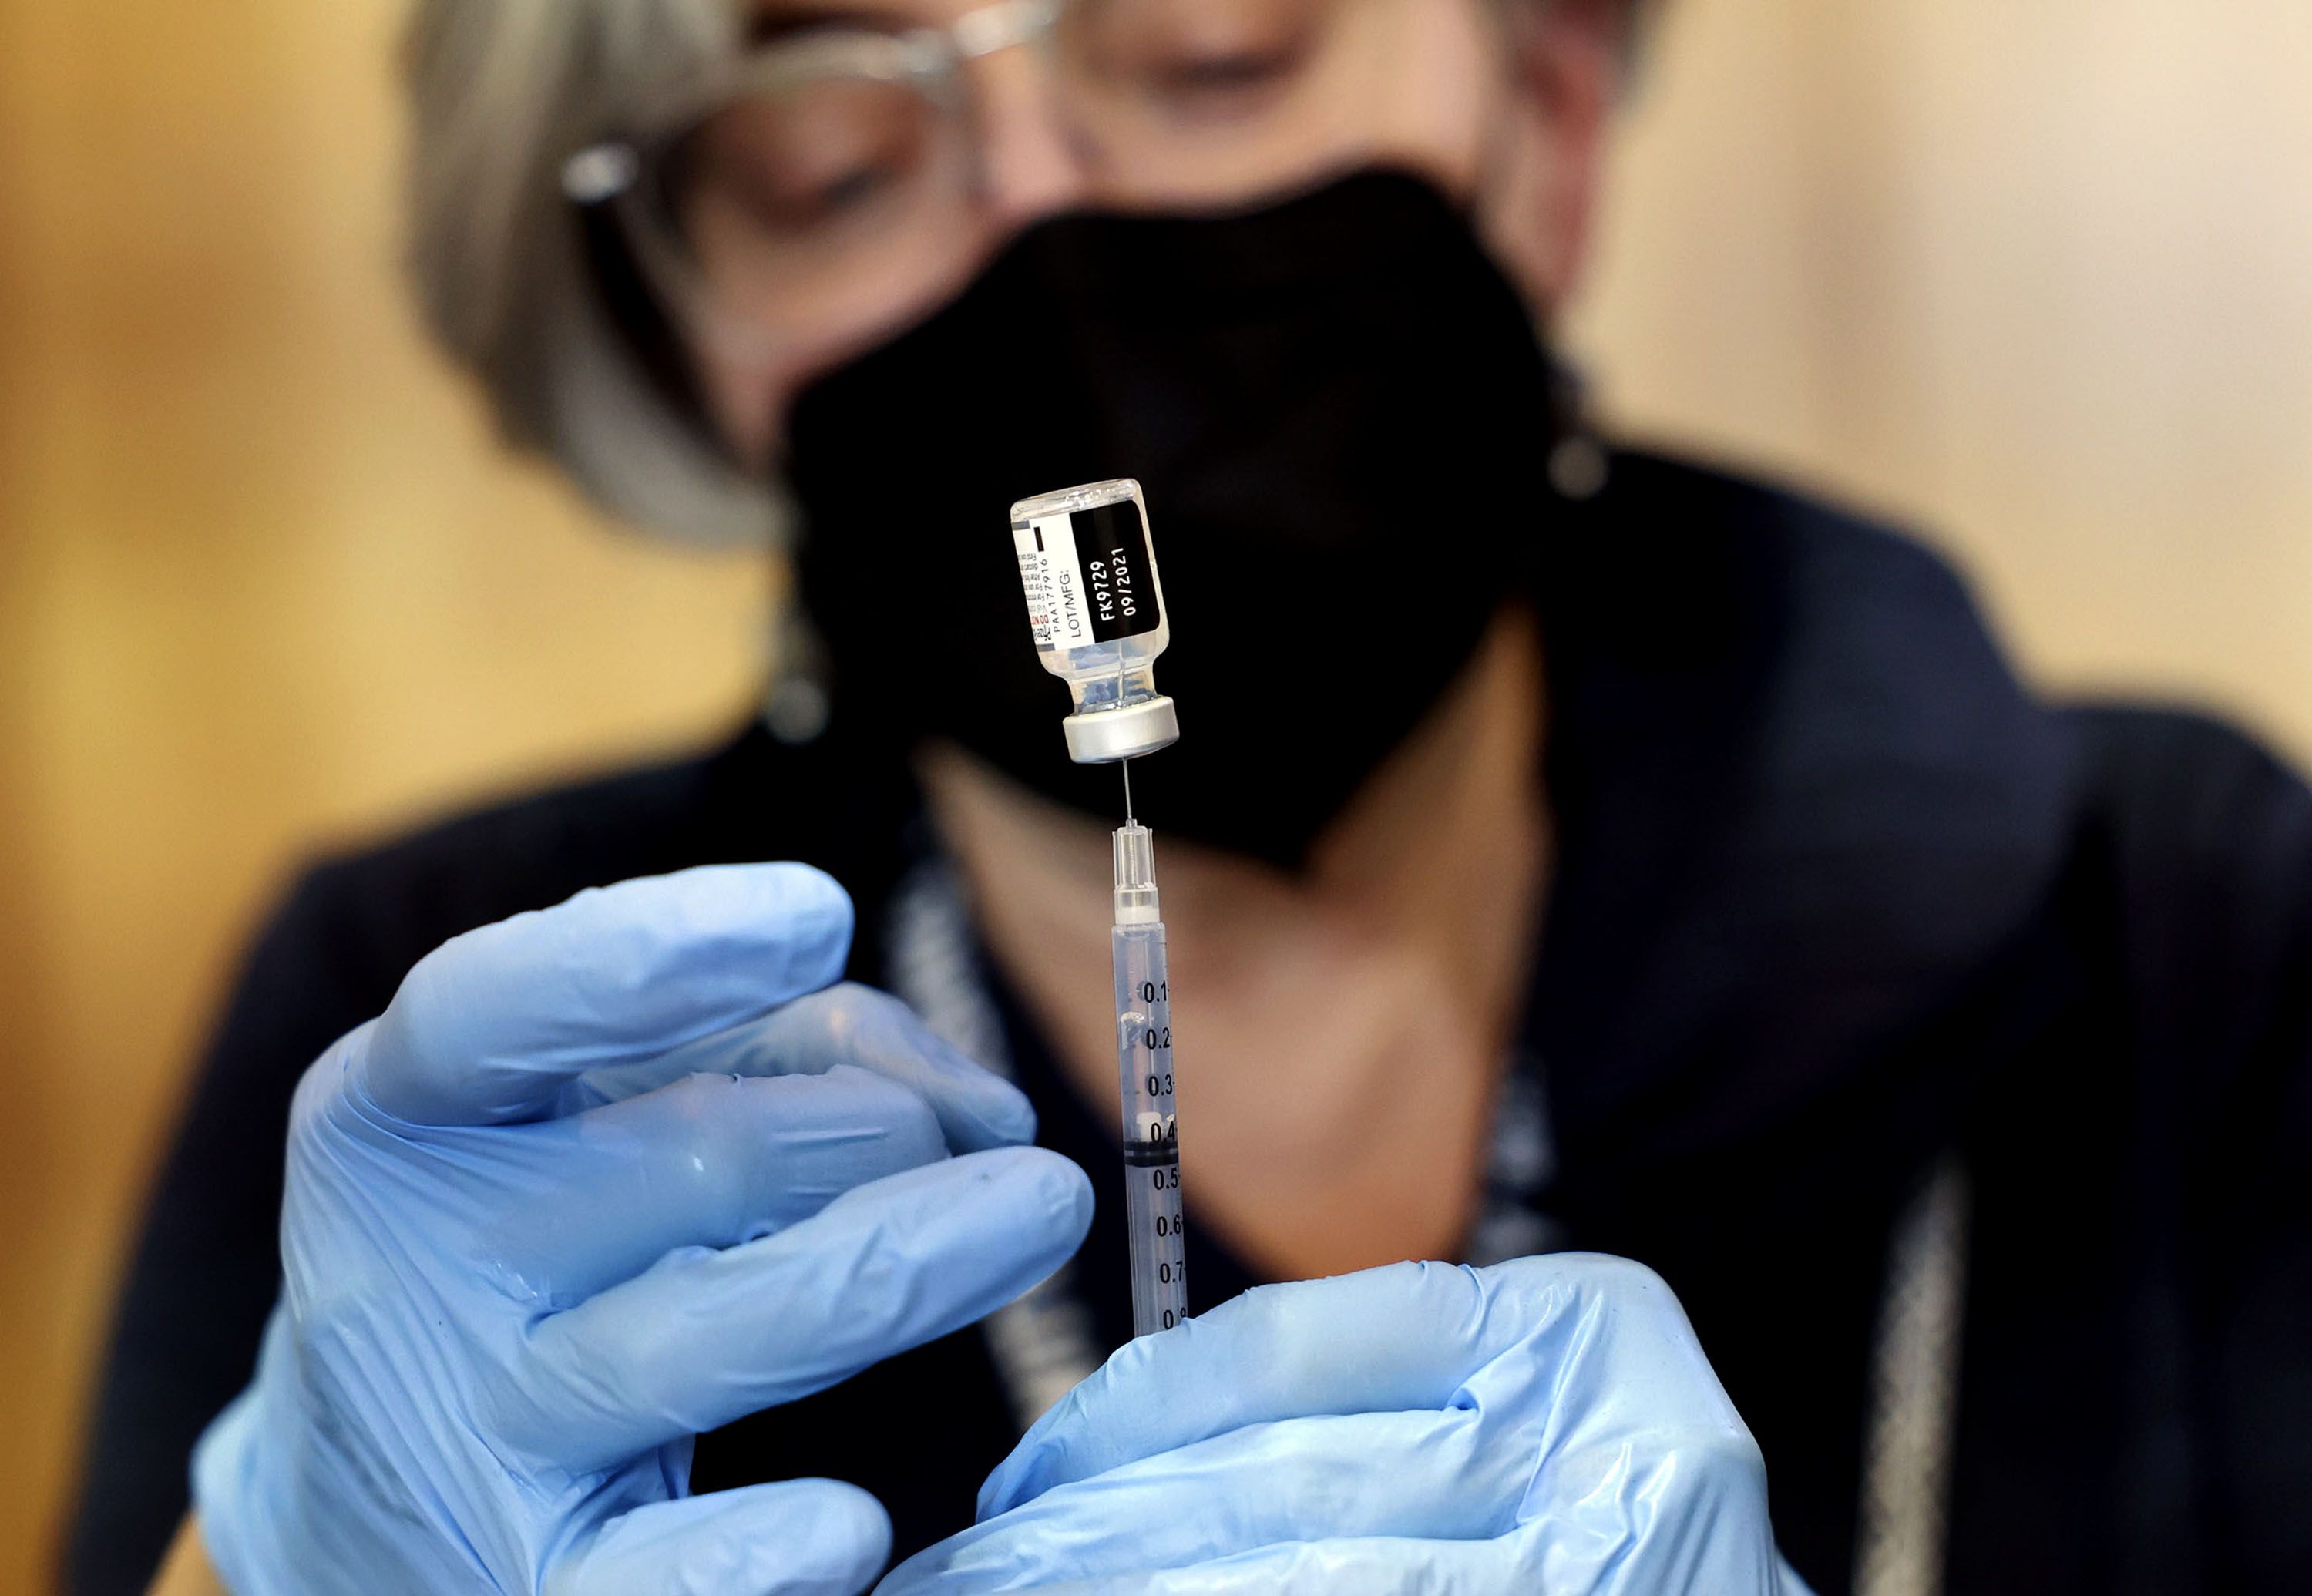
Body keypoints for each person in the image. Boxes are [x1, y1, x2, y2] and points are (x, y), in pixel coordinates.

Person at [66, 0, 2312, 1591]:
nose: (1051, 218)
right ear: (683, 339)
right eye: (829, 161)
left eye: (1216, 48)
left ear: (1544, 99)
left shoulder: (2182, 923)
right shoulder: (473, 1069)